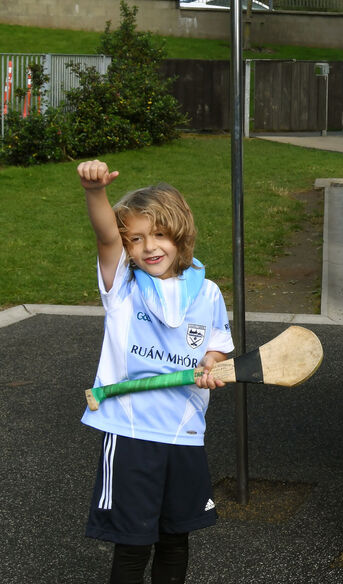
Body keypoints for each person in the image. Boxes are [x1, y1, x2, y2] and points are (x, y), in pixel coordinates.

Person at [77, 160, 234, 584]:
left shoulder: (207, 291)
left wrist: (211, 365)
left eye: (159, 234)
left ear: (179, 233)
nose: (149, 247)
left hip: (184, 435)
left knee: (175, 541)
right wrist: (95, 192)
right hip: (131, 436)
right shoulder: (123, 286)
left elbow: (218, 344)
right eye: (137, 239)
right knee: (132, 546)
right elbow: (105, 234)